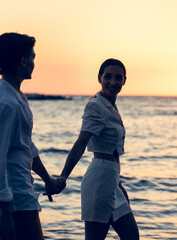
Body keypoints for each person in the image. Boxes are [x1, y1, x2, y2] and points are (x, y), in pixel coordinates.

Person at [0, 32, 63, 240]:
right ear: (23, 60)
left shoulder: (15, 97)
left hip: (12, 197)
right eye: (32, 56)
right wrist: (5, 212)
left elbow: (25, 147)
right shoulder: (5, 103)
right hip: (11, 201)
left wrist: (47, 180)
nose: (34, 62)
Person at [59, 58, 140, 240]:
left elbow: (113, 153)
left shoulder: (110, 106)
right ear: (99, 78)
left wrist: (118, 183)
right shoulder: (95, 106)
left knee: (132, 237)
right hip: (99, 184)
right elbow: (80, 143)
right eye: (108, 77)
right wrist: (64, 175)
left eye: (118, 78)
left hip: (111, 182)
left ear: (124, 80)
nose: (113, 82)